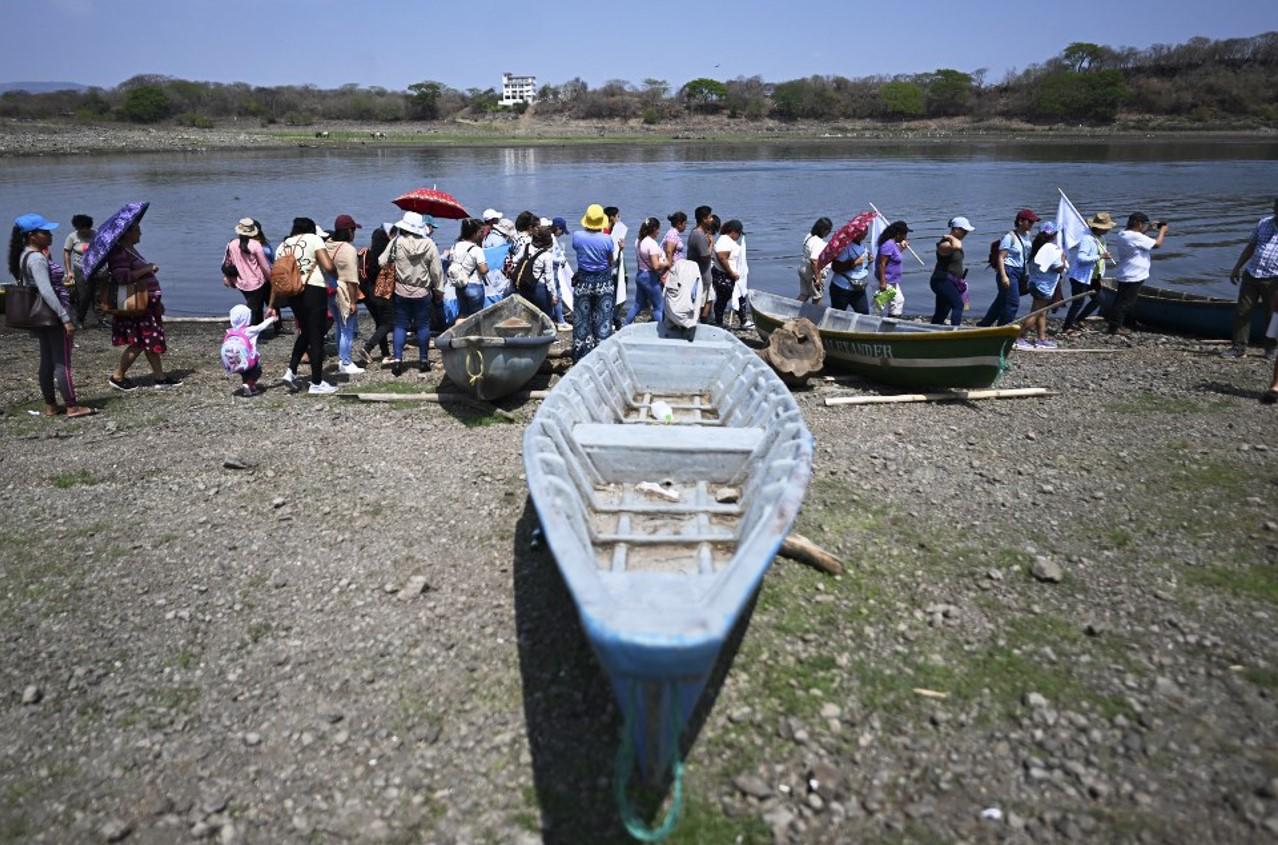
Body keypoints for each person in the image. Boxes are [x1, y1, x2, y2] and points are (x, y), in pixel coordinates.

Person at [9, 213, 94, 417]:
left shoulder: (25, 255)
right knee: (62, 361)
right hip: (52, 316)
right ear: (32, 236)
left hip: (40, 317)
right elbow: (46, 291)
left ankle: (51, 405)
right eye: (45, 232)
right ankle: (72, 406)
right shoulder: (37, 258)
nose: (50, 235)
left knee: (47, 361)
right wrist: (65, 318)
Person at [107, 219, 181, 391]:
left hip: (148, 302)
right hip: (139, 305)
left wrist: (158, 302)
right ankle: (118, 375)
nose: (140, 233)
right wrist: (147, 268)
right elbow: (122, 277)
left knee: (149, 339)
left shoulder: (130, 250)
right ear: (126, 233)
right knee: (141, 340)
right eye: (137, 230)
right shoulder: (119, 253)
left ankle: (159, 377)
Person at [278, 217, 337, 394]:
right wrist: (336, 274)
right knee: (316, 335)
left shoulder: (283, 245)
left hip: (293, 292)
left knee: (305, 330)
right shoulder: (313, 239)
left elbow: (278, 273)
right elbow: (328, 265)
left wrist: (273, 304)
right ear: (311, 230)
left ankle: (291, 371)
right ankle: (317, 383)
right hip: (313, 289)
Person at [380, 211, 442, 376]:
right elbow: (436, 271)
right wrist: (439, 289)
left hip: (401, 289)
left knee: (400, 325)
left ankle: (398, 361)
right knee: (423, 326)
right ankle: (423, 360)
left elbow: (381, 261)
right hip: (422, 291)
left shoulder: (397, 242)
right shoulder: (429, 243)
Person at [1225, 198, 1278, 359]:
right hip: (1252, 274)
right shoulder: (1264, 223)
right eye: (1276, 208)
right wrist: (1237, 267)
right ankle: (1239, 348)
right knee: (1242, 311)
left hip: (1274, 278)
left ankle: (1271, 349)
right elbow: (1251, 246)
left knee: (1273, 315)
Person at [1107, 213, 1168, 335]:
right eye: (1144, 224)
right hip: (1133, 275)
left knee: (1123, 300)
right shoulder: (1134, 237)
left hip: (1127, 272)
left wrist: (1148, 229)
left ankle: (1124, 323)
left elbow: (1138, 238)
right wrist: (1162, 231)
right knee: (1125, 302)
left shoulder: (1123, 233)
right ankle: (1114, 327)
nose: (1145, 227)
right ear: (1138, 224)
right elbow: (1157, 244)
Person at [570, 204, 617, 361]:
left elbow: (578, 251)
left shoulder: (577, 236)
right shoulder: (607, 239)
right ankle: (601, 356)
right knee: (603, 319)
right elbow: (610, 262)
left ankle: (580, 355)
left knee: (581, 320)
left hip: (583, 281)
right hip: (604, 281)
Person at [978, 209, 1039, 327]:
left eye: (1033, 222)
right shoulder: (1009, 237)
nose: (1032, 224)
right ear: (1021, 221)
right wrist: (1004, 276)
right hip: (1009, 271)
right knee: (1013, 303)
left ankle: (984, 325)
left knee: (1001, 301)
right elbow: (1001, 257)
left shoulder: (1027, 235)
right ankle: (1003, 328)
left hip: (1020, 271)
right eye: (1030, 221)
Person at [1061, 212, 1116, 334]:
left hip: (1094, 277)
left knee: (1099, 299)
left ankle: (1079, 319)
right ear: (1099, 228)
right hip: (1080, 277)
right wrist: (1100, 256)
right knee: (1078, 303)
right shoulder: (1087, 239)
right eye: (1106, 228)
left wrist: (1101, 272)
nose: (1108, 230)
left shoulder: (1101, 239)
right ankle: (1067, 326)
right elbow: (1081, 259)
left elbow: (1100, 260)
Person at [326, 213, 364, 376]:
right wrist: (354, 302)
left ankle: (342, 360)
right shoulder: (348, 249)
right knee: (347, 328)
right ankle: (346, 361)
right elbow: (352, 280)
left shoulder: (328, 244)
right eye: (354, 230)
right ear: (349, 230)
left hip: (329, 290)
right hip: (344, 292)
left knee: (339, 326)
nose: (354, 233)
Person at [1017, 222, 1065, 349]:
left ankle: (1041, 339)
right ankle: (1020, 338)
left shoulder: (1036, 247)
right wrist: (1063, 259)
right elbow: (1059, 269)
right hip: (1043, 287)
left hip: (1034, 284)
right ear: (1054, 235)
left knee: (1042, 312)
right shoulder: (1051, 250)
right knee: (1035, 313)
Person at [222, 218, 274, 329]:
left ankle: (257, 329)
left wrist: (227, 277)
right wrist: (271, 279)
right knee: (255, 308)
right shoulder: (255, 245)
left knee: (254, 306)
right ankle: (253, 330)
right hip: (256, 281)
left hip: (240, 281)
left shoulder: (232, 244)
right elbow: (264, 266)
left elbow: (227, 262)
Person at [220, 304, 277, 397]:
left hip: (237, 361)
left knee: (245, 372)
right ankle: (249, 384)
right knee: (257, 371)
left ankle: (250, 387)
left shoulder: (230, 331)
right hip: (249, 360)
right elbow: (261, 327)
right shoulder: (249, 330)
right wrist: (271, 319)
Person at [930, 216, 974, 326]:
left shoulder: (952, 241)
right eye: (964, 231)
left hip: (951, 282)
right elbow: (958, 245)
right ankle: (956, 331)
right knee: (958, 305)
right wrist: (950, 237)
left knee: (942, 311)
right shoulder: (945, 244)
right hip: (942, 281)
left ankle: (933, 330)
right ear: (956, 229)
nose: (966, 233)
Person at [624, 216, 669, 325]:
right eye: (658, 229)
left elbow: (639, 260)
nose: (659, 232)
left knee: (637, 305)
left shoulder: (638, 241)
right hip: (650, 278)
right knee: (659, 306)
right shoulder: (652, 244)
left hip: (640, 275)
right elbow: (656, 266)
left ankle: (625, 325)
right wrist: (667, 263)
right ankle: (662, 331)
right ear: (653, 229)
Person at [360, 223, 393, 362]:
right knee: (389, 322)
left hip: (367, 293)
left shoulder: (370, 252)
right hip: (381, 292)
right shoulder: (384, 257)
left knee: (380, 323)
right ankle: (368, 347)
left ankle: (385, 353)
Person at [62, 214, 102, 328]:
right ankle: (79, 319)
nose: (84, 231)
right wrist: (69, 271)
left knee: (98, 294)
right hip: (80, 268)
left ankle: (100, 319)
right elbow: (67, 253)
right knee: (83, 295)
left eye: (86, 228)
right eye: (81, 229)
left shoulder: (96, 234)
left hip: (96, 268)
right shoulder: (72, 237)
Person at [511, 224, 558, 317]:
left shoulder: (526, 247)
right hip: (538, 287)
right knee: (545, 314)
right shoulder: (546, 255)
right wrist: (554, 295)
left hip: (523, 286)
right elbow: (549, 278)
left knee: (526, 314)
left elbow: (515, 260)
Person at [449, 218, 490, 318]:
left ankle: (458, 333)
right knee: (476, 317)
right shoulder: (476, 249)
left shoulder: (455, 246)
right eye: (481, 232)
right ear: (474, 233)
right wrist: (488, 268)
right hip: (474, 285)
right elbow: (483, 270)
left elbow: (452, 262)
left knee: (462, 314)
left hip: (460, 286)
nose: (483, 234)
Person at [830, 227, 872, 314]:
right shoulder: (845, 248)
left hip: (859, 287)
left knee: (864, 314)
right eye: (863, 231)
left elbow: (862, 267)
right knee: (838, 315)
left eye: (866, 230)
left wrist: (868, 261)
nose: (866, 233)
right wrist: (853, 263)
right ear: (855, 233)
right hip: (842, 288)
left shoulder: (862, 246)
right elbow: (835, 267)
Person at [712, 219, 745, 325]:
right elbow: (722, 258)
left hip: (726, 275)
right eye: (739, 234)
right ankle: (720, 322)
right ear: (734, 231)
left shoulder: (727, 240)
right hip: (723, 275)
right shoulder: (724, 240)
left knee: (734, 297)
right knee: (727, 298)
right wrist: (731, 273)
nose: (739, 236)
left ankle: (741, 320)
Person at [874, 221, 910, 317]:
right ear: (898, 234)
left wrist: (902, 248)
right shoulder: (888, 244)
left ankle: (892, 321)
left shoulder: (893, 244)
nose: (906, 237)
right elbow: (882, 264)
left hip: (892, 281)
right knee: (880, 305)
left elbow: (894, 257)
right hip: (887, 280)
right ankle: (876, 322)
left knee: (897, 301)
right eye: (905, 234)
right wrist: (883, 281)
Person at [685, 207, 715, 321]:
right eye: (710, 217)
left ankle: (704, 321)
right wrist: (711, 243)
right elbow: (705, 256)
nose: (712, 219)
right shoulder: (698, 235)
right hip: (700, 277)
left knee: (709, 299)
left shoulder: (697, 232)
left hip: (702, 275)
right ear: (704, 219)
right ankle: (700, 324)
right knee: (699, 305)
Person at [798, 217, 832, 304]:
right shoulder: (818, 242)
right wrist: (817, 278)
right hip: (812, 272)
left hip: (803, 268)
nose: (829, 233)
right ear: (823, 230)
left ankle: (791, 310)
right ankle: (815, 317)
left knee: (804, 294)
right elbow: (814, 260)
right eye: (829, 230)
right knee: (817, 297)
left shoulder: (809, 236)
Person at [550, 216, 571, 330]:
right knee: (557, 294)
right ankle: (561, 321)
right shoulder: (551, 239)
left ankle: (555, 317)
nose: (562, 233)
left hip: (551, 272)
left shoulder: (550, 237)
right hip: (551, 272)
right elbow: (551, 257)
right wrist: (562, 259)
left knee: (553, 295)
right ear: (557, 228)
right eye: (562, 230)